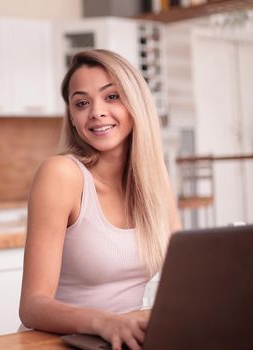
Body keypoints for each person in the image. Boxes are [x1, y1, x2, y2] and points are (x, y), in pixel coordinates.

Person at [19, 49, 181, 350]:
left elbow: (183, 276)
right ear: (72, 115)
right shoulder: (62, 175)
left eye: (111, 97)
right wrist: (105, 321)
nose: (96, 112)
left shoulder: (156, 181)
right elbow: (32, 305)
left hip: (125, 339)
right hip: (62, 342)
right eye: (81, 103)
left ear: (136, 103)